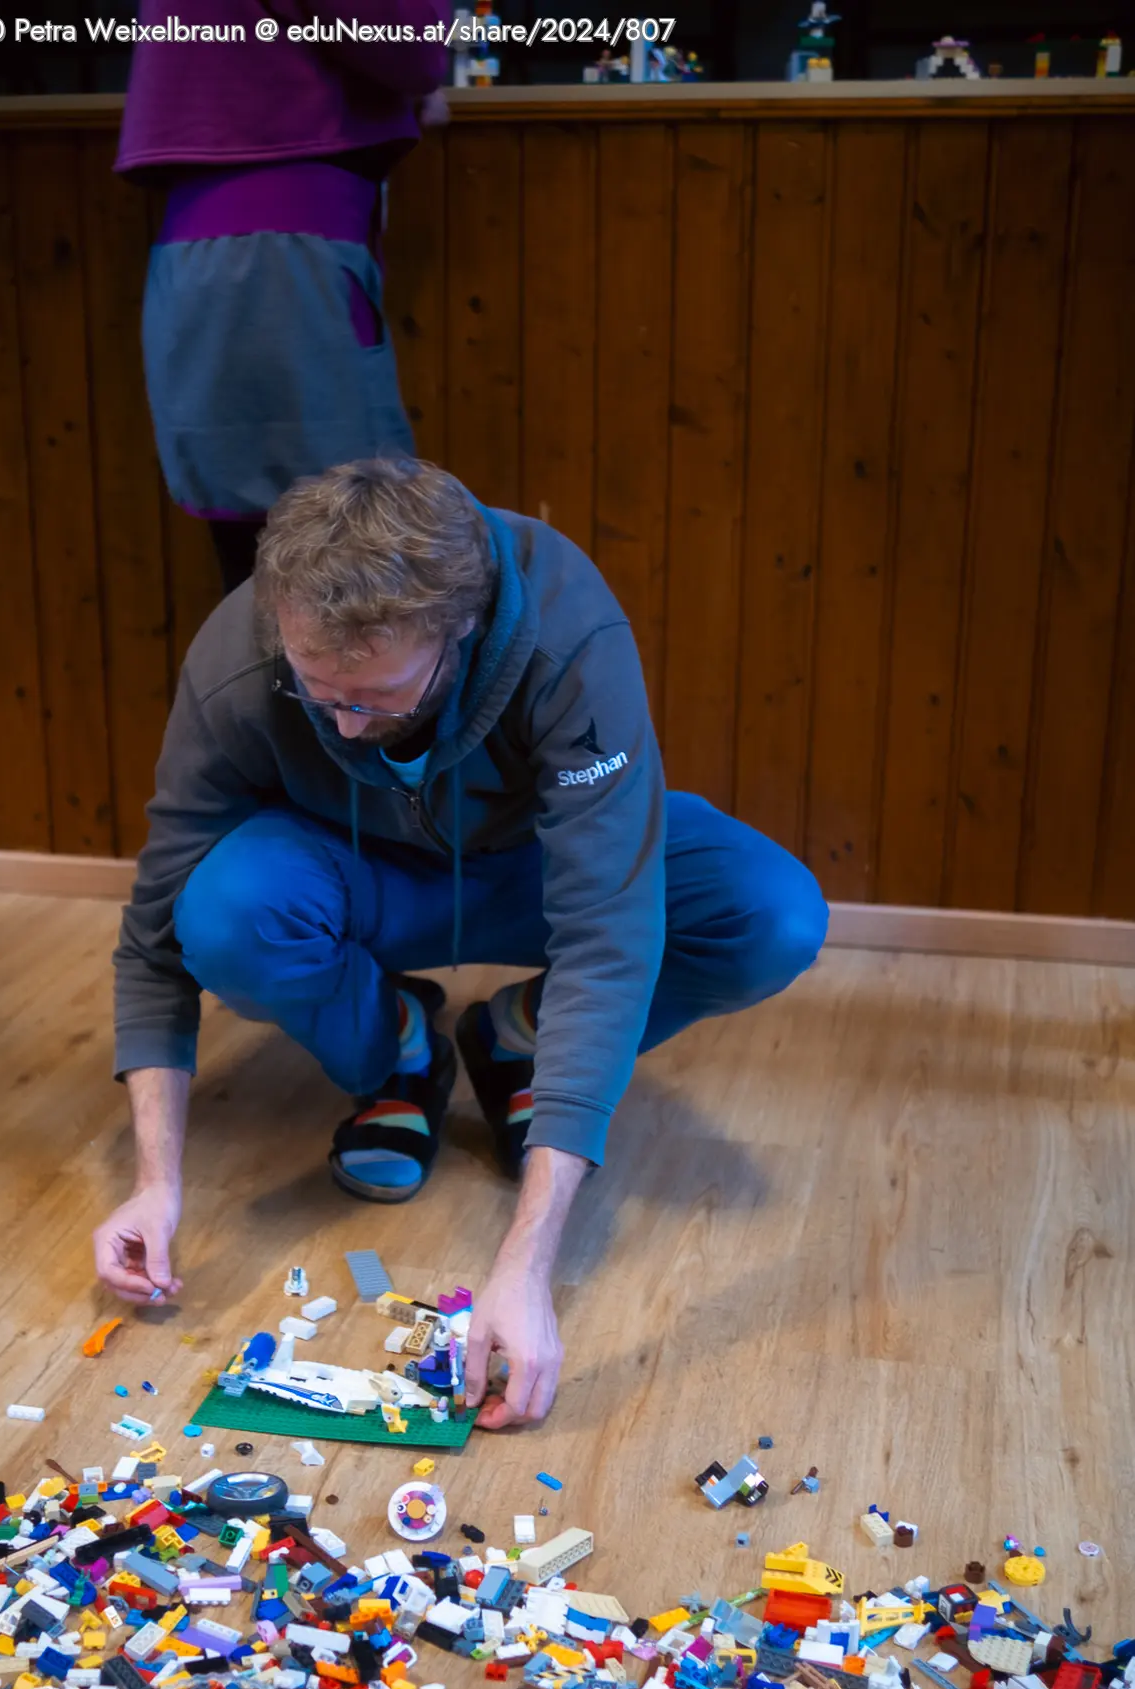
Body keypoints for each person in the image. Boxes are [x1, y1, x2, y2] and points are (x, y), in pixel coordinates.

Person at [93, 459, 829, 1427]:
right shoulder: (240, 650)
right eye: (320, 694)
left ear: (461, 627)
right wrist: (157, 1183)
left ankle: (516, 1036)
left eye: (378, 696)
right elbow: (152, 934)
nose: (348, 725)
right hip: (358, 873)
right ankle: (397, 1049)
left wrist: (524, 1265)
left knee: (772, 914)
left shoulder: (567, 627)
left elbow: (608, 937)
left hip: (534, 861)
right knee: (220, 911)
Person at [115, 0, 451, 595]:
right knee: (336, 574)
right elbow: (411, 42)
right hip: (282, 251)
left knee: (268, 574)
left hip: (214, 249)